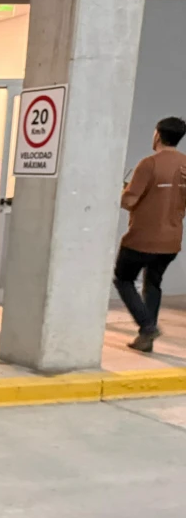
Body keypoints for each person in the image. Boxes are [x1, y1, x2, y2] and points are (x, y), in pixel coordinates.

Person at [114, 116, 186, 352]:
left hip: (142, 239)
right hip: (171, 240)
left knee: (123, 279)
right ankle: (146, 340)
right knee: (153, 284)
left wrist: (121, 191)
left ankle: (147, 327)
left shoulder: (149, 164)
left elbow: (129, 201)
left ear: (157, 135)